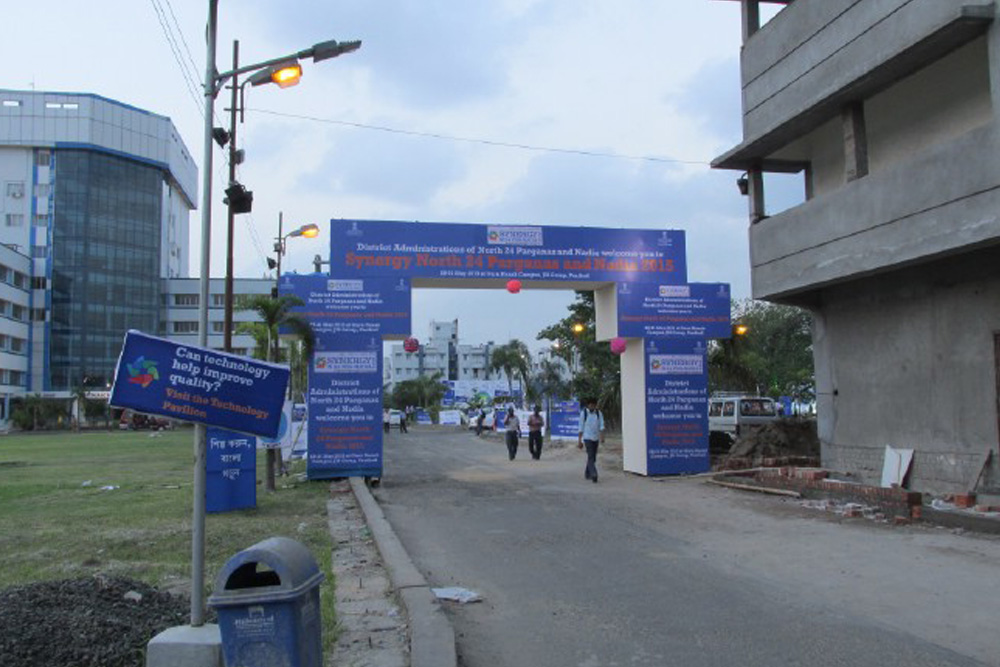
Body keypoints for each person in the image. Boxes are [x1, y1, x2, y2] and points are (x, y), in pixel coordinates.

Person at [577, 399, 605, 482]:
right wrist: (579, 441)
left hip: (596, 438)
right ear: (588, 405)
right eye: (591, 405)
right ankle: (594, 474)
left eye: (594, 405)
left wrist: (602, 436)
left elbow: (601, 425)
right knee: (591, 456)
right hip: (587, 438)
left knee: (593, 457)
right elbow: (580, 427)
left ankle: (587, 473)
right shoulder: (584, 414)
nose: (592, 407)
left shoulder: (598, 413)